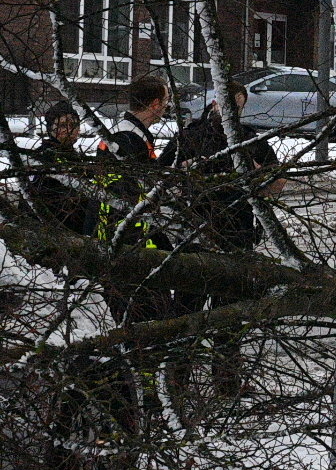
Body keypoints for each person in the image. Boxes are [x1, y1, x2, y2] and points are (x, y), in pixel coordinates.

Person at [161, 81, 283, 252]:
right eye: (227, 107)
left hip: (238, 229)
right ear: (214, 104)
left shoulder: (251, 141)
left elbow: (279, 183)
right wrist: (183, 167)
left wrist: (257, 171)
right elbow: (159, 175)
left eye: (237, 109)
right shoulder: (191, 138)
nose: (231, 114)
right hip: (196, 227)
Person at [94, 75, 171, 324]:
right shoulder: (129, 139)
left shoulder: (126, 134)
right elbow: (129, 196)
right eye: (167, 101)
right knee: (144, 316)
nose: (168, 107)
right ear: (156, 104)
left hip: (125, 239)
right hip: (129, 244)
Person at [28, 101, 90, 233]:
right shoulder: (44, 158)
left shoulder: (74, 157)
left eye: (73, 125)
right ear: (51, 129)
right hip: (51, 232)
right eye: (62, 125)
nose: (69, 130)